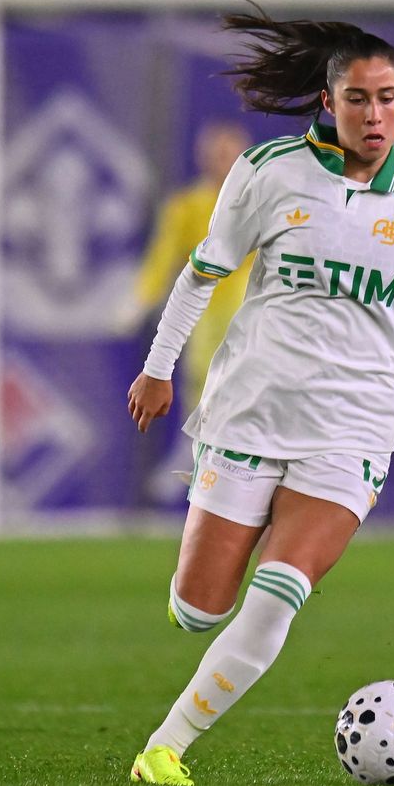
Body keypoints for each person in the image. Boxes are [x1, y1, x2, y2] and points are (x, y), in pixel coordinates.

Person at [125, 4, 394, 786]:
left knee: (277, 596)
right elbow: (204, 272)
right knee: (200, 608)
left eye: (390, 97)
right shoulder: (269, 172)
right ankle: (215, 555)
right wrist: (158, 366)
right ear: (328, 103)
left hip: (352, 433)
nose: (377, 114)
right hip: (249, 413)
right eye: (360, 98)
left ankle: (162, 749)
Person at [128, 120, 253, 501]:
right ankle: (202, 458)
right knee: (203, 385)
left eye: (231, 153)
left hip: (254, 308)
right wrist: (141, 298)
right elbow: (164, 257)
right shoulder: (185, 206)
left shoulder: (260, 200)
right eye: (217, 153)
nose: (224, 161)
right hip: (205, 310)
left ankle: (241, 465)